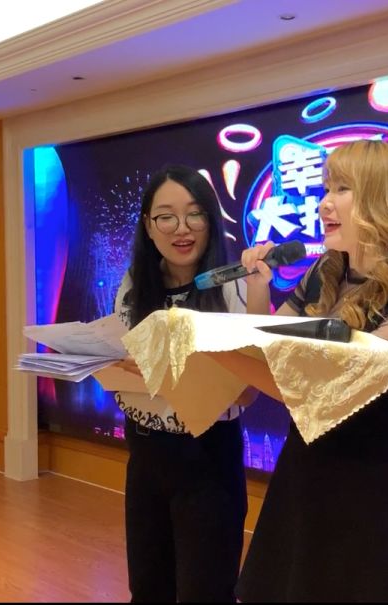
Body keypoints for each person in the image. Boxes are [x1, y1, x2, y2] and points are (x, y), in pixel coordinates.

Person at [211, 140, 388, 602]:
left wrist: (206, 344)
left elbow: (320, 392)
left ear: (384, 200)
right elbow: (266, 344)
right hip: (301, 474)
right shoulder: (323, 273)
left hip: (360, 495)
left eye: (342, 189)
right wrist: (257, 286)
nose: (324, 203)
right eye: (325, 189)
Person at [112, 163, 250, 603]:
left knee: (205, 591)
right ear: (148, 226)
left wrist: (173, 371)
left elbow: (248, 391)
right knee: (147, 588)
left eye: (194, 214)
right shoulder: (134, 286)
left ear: (210, 220)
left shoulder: (232, 287)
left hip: (207, 458)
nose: (181, 228)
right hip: (145, 455)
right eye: (166, 217)